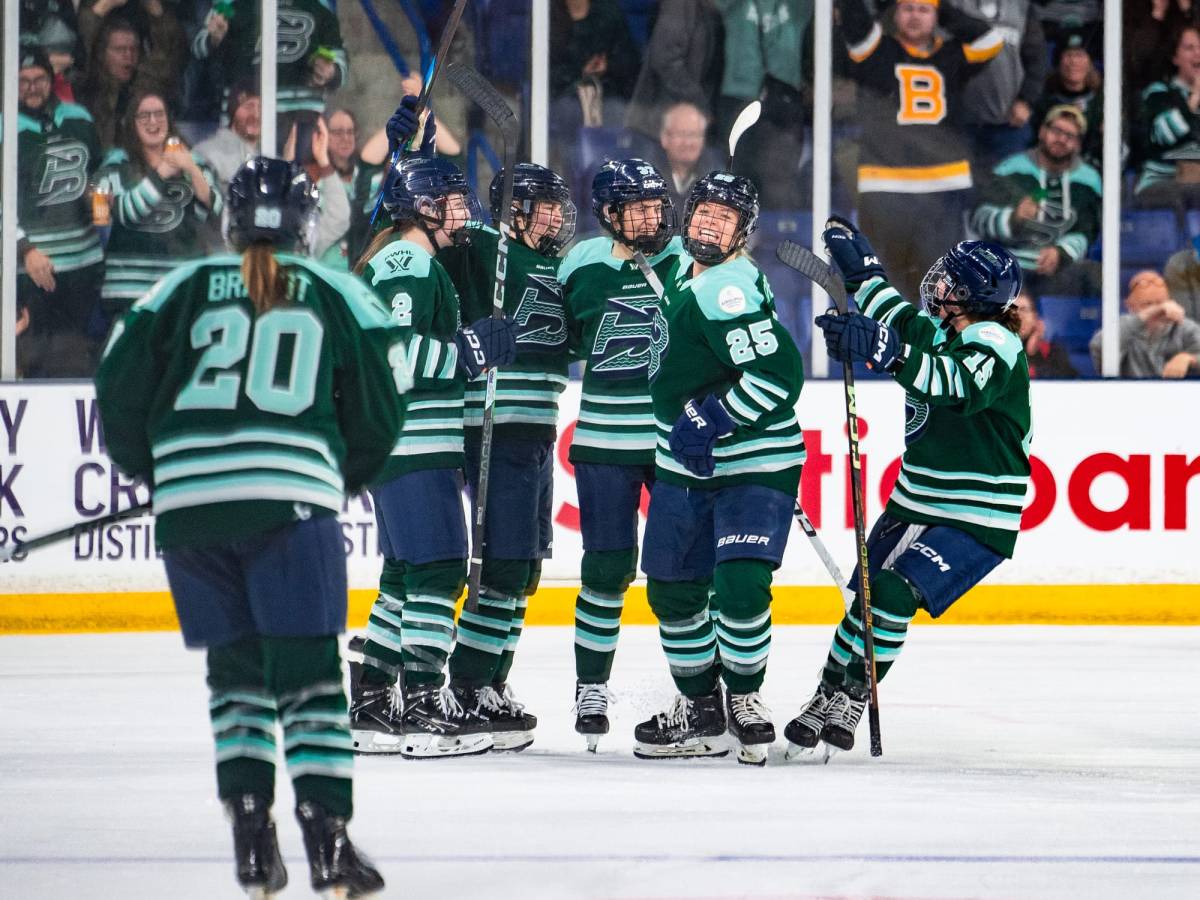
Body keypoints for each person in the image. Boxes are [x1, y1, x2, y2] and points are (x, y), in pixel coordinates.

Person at [93, 156, 397, 897]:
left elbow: (117, 384)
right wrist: (338, 474)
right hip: (291, 504)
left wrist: (164, 473)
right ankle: (328, 844)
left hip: (192, 512)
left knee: (236, 676)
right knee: (309, 677)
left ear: (230, 221)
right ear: (304, 225)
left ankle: (253, 846)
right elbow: (383, 404)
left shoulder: (179, 287)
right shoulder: (335, 290)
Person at [787, 221, 1030, 760]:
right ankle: (825, 695)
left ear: (972, 296)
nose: (937, 284)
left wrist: (885, 350)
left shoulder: (995, 341)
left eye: (949, 281)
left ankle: (854, 694)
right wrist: (864, 272)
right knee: (866, 601)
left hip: (978, 514)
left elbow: (953, 384)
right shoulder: (939, 329)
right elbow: (893, 316)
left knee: (893, 596)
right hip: (914, 498)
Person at [632, 172, 805, 766]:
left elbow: (779, 377)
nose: (709, 224)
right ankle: (702, 708)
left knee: (739, 583)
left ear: (742, 233)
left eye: (724, 218)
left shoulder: (724, 288)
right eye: (703, 212)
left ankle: (745, 699)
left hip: (752, 459)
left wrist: (715, 416)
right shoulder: (689, 271)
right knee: (673, 588)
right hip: (684, 462)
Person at [348, 155, 518, 759]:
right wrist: (465, 354)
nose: (463, 211)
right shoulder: (409, 261)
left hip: (403, 445)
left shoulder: (410, 260)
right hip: (412, 442)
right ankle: (423, 702)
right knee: (440, 570)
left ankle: (372, 700)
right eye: (451, 201)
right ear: (421, 206)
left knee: (405, 574)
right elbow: (390, 352)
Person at [438, 163, 576, 751]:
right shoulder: (484, 249)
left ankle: (493, 680)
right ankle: (469, 684)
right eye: (544, 205)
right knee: (503, 562)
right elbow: (432, 235)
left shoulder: (556, 266)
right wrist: (410, 152)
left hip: (537, 427)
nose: (556, 216)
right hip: (495, 425)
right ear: (513, 210)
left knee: (526, 568)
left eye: (558, 206)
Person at [558, 158, 684, 751]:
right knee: (605, 570)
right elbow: (559, 338)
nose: (653, 218)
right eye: (639, 209)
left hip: (673, 444)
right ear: (609, 214)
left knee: (684, 573)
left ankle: (698, 693)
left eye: (658, 206)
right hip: (605, 443)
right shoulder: (580, 264)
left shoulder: (686, 260)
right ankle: (590, 687)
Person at [836, 0, 1004, 299]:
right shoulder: (877, 50)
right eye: (908, 8)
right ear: (895, 12)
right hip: (885, 185)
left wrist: (942, 8)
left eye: (924, 9)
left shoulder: (953, 54)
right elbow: (853, 16)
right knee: (883, 283)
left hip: (942, 187)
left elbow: (991, 40)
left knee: (942, 285)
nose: (915, 16)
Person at [15, 47, 105, 378]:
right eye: (23, 80)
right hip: (34, 269)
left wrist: (99, 197)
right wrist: (24, 249)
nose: (31, 87)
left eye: (39, 78)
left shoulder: (79, 118)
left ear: (51, 79)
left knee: (80, 360)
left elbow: (98, 173)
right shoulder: (5, 128)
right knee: (36, 362)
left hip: (84, 264)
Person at [95, 90, 222, 317]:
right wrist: (163, 172)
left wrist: (191, 169)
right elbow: (126, 213)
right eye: (144, 115)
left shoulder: (195, 163)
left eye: (159, 114)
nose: (153, 121)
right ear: (131, 123)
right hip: (129, 290)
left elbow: (216, 209)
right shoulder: (115, 166)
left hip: (181, 287)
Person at [970, 104, 1101, 297]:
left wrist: (1060, 252)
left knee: (1096, 276)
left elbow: (1086, 231)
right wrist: (1012, 218)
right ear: (1042, 131)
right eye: (1056, 131)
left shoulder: (1089, 180)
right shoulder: (1010, 169)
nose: (1061, 139)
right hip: (1005, 267)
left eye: (1070, 136)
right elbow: (978, 218)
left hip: (1057, 270)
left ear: (1078, 144)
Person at [192, 0, 347, 141]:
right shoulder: (230, 6)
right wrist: (213, 39)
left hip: (301, 116)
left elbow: (340, 66)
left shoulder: (320, 9)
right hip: (246, 116)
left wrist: (330, 72)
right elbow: (198, 49)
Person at [949, 0, 1048, 174]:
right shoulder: (953, 4)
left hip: (1009, 124)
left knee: (1008, 185)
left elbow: (1037, 61)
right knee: (960, 186)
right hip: (959, 122)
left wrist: (1026, 101)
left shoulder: (1022, 6)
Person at [77, 9, 185, 147]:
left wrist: (156, 12)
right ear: (102, 54)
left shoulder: (146, 88)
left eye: (134, 49)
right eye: (119, 49)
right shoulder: (88, 88)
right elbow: (84, 45)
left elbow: (169, 53)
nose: (128, 55)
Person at [624, 0, 723, 141]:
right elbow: (665, 59)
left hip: (690, 123)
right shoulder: (680, 5)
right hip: (661, 124)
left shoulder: (717, 8)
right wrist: (699, 102)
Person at [1134, 25, 1200, 208]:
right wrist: (1194, 98)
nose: (1198, 53)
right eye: (1189, 48)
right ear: (1175, 57)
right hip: (1161, 183)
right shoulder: (1158, 93)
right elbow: (1162, 135)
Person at [1089, 269, 1200, 377]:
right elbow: (1099, 347)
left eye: (1161, 303)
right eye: (1148, 304)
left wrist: (1188, 358)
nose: (1159, 310)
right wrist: (1146, 316)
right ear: (1130, 306)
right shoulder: (1123, 327)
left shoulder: (1183, 327)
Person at [1030, 27, 1103, 169]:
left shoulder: (1102, 101)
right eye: (1068, 55)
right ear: (1059, 62)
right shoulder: (1044, 101)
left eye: (1080, 55)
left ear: (1090, 63)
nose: (1073, 62)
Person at [649, 102, 724, 212]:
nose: (688, 143)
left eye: (694, 135)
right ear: (665, 137)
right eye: (681, 134)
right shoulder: (647, 177)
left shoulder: (717, 181)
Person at [1014, 291, 1079, 378]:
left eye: (1024, 310)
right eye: (1013, 310)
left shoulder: (1054, 351)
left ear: (1035, 317)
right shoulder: (999, 349)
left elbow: (1071, 380)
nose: (1019, 316)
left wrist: (1033, 353)